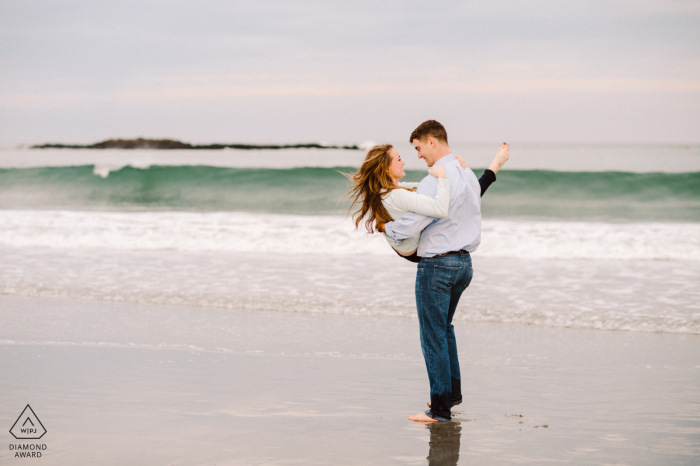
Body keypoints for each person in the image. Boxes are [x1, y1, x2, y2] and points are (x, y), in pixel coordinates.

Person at [377, 120, 509, 423]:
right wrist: (494, 167)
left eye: (419, 148)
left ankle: (439, 411)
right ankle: (449, 397)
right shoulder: (462, 171)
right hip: (464, 266)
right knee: (444, 330)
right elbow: (477, 194)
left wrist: (386, 228)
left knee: (432, 335)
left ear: (431, 141)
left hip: (437, 266)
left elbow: (414, 222)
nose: (419, 155)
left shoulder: (434, 179)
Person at [344, 143, 508, 263]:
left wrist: (455, 167)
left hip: (407, 246)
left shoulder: (389, 189)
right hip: (416, 252)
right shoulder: (396, 195)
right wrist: (444, 176)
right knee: (456, 201)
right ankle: (493, 169)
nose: (403, 162)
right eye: (399, 159)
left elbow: (427, 187)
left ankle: (492, 170)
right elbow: (440, 208)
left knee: (460, 196)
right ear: (386, 168)